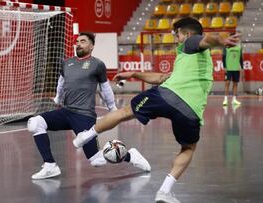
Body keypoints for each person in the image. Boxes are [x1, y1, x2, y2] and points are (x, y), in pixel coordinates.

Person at [73, 17, 241, 203]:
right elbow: (162, 77)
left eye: (176, 34)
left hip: (165, 96)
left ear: (186, 34)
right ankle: (164, 191)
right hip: (189, 110)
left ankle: (86, 136)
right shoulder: (192, 60)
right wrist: (135, 74)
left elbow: (207, 39)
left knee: (125, 112)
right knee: (188, 148)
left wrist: (221, 41)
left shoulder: (192, 41)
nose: (175, 38)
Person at [28, 32, 151, 180]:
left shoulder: (97, 64)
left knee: (96, 160)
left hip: (84, 116)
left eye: (83, 41)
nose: (78, 44)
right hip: (66, 112)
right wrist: (57, 99)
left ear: (92, 46)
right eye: (77, 41)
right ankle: (50, 166)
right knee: (35, 123)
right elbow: (61, 83)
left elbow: (105, 88)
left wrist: (113, 110)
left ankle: (131, 156)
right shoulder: (67, 63)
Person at [222, 31, 244, 106]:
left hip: (236, 68)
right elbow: (223, 57)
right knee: (227, 84)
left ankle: (234, 100)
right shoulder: (226, 47)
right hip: (228, 68)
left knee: (235, 84)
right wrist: (225, 67)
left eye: (236, 37)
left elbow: (240, 58)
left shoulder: (239, 48)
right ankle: (225, 100)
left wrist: (242, 68)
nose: (236, 39)